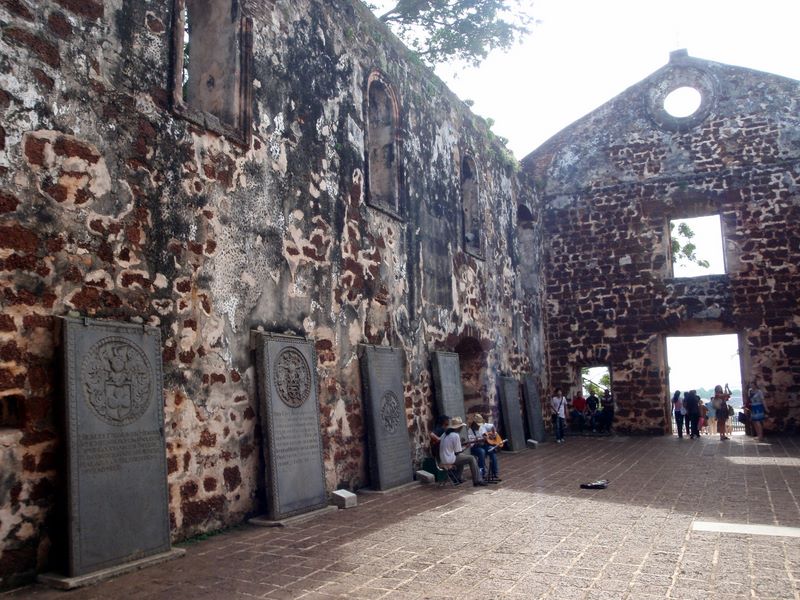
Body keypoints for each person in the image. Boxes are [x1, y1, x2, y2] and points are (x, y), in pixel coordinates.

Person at [439, 416, 487, 486]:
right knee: (471, 458)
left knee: (463, 457)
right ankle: (477, 480)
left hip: (443, 458)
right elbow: (458, 452)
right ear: (458, 427)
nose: (461, 428)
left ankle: (458, 477)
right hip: (449, 459)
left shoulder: (445, 434)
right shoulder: (455, 435)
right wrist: (466, 447)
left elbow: (452, 448)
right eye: (461, 427)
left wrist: (461, 445)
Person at [467, 414, 501, 482]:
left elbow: (492, 426)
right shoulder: (470, 431)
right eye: (477, 424)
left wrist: (493, 434)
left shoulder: (483, 426)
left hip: (484, 445)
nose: (479, 426)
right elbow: (471, 444)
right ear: (474, 423)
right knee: (481, 452)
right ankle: (482, 474)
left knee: (492, 449)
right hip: (475, 447)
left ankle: (495, 473)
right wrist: (477, 441)